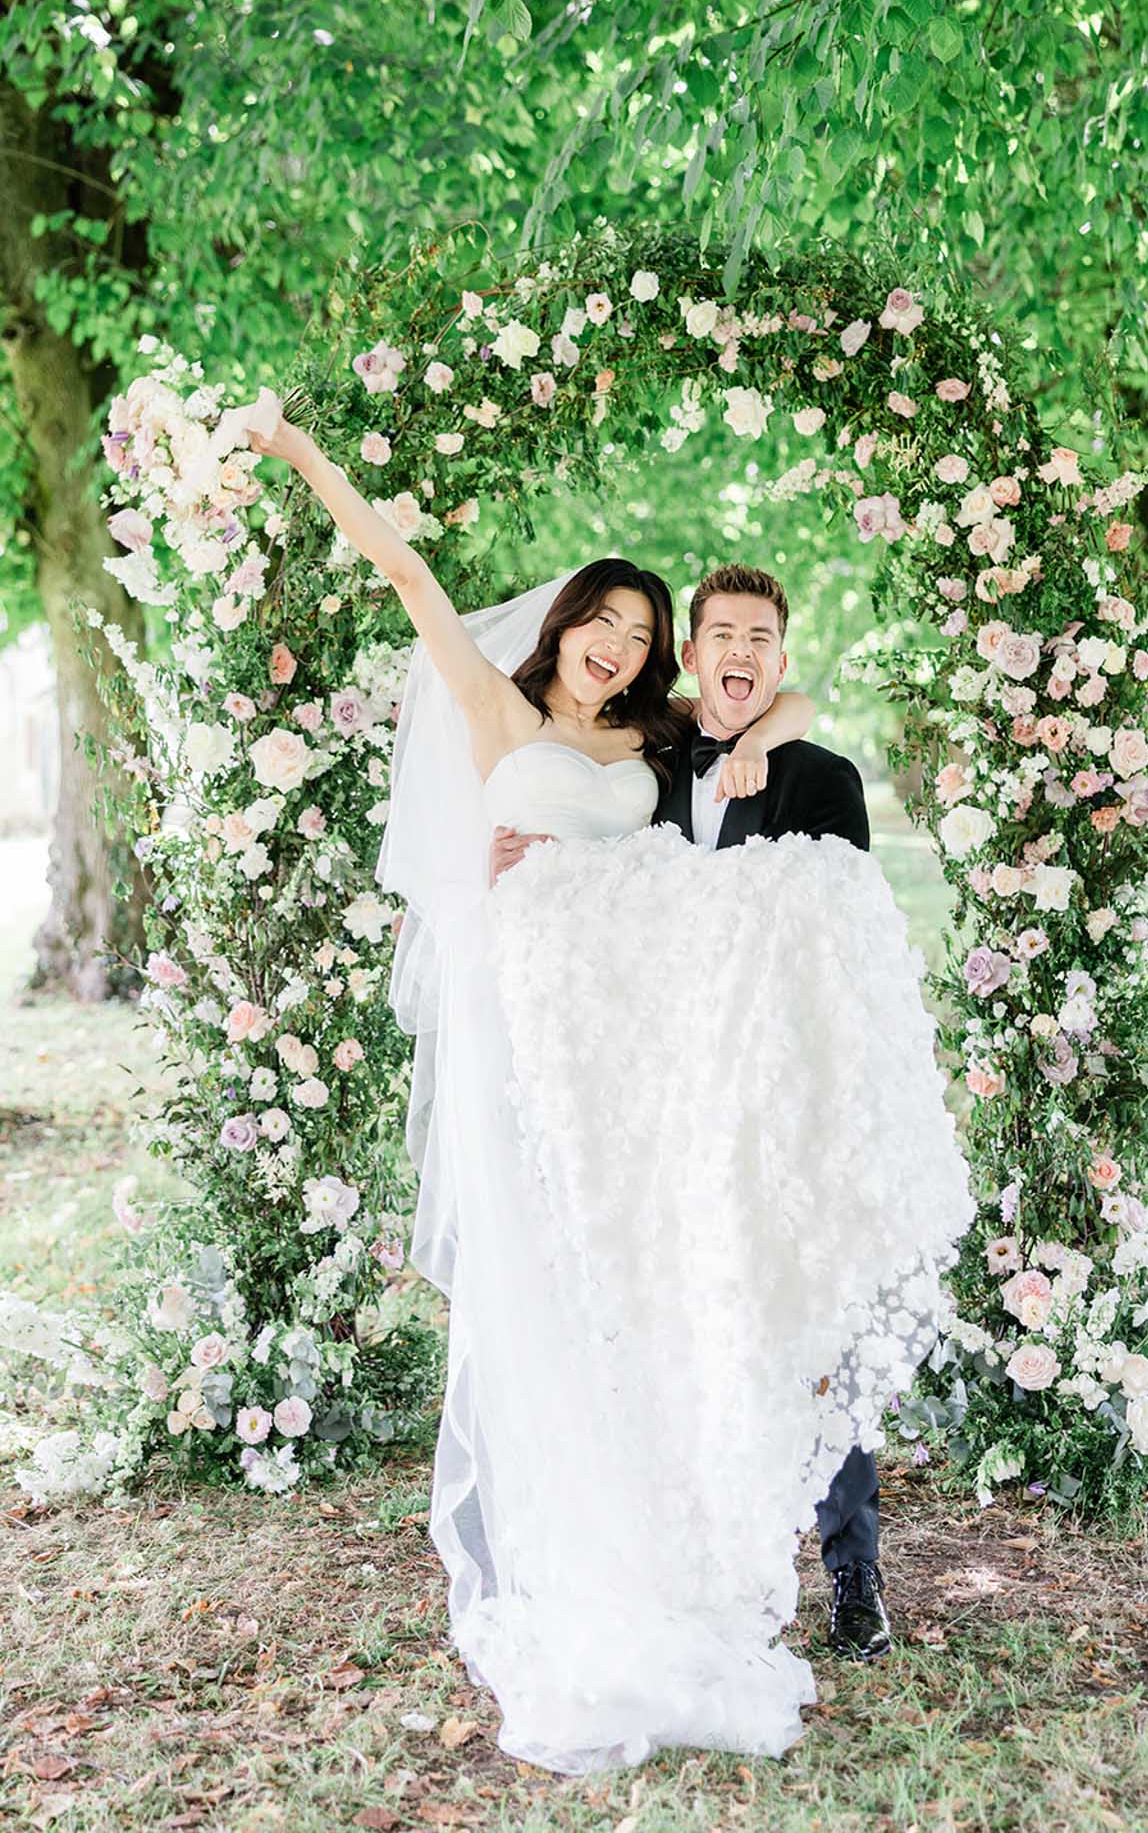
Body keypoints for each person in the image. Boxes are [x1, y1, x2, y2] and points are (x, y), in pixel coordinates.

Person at [244, 402, 977, 1775]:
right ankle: (594, 1548)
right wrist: (295, 454)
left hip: (676, 1066)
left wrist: (779, 719)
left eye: (645, 640)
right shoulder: (527, 716)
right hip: (558, 1046)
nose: (623, 651)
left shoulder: (684, 746)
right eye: (615, 628)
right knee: (583, 1300)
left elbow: (781, 710)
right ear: (576, 623)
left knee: (712, 1293)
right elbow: (404, 572)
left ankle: (780, 1554)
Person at [494, 564, 892, 1661]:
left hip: (784, 1107)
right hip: (676, 1112)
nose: (742, 651)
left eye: (761, 637)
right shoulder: (653, 765)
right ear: (693, 653)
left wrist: (787, 725)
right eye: (721, 632)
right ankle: (708, 1559)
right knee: (693, 1331)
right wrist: (515, 858)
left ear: (779, 656)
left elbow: (833, 949)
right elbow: (603, 905)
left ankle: (853, 1570)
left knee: (818, 1340)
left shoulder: (822, 777)